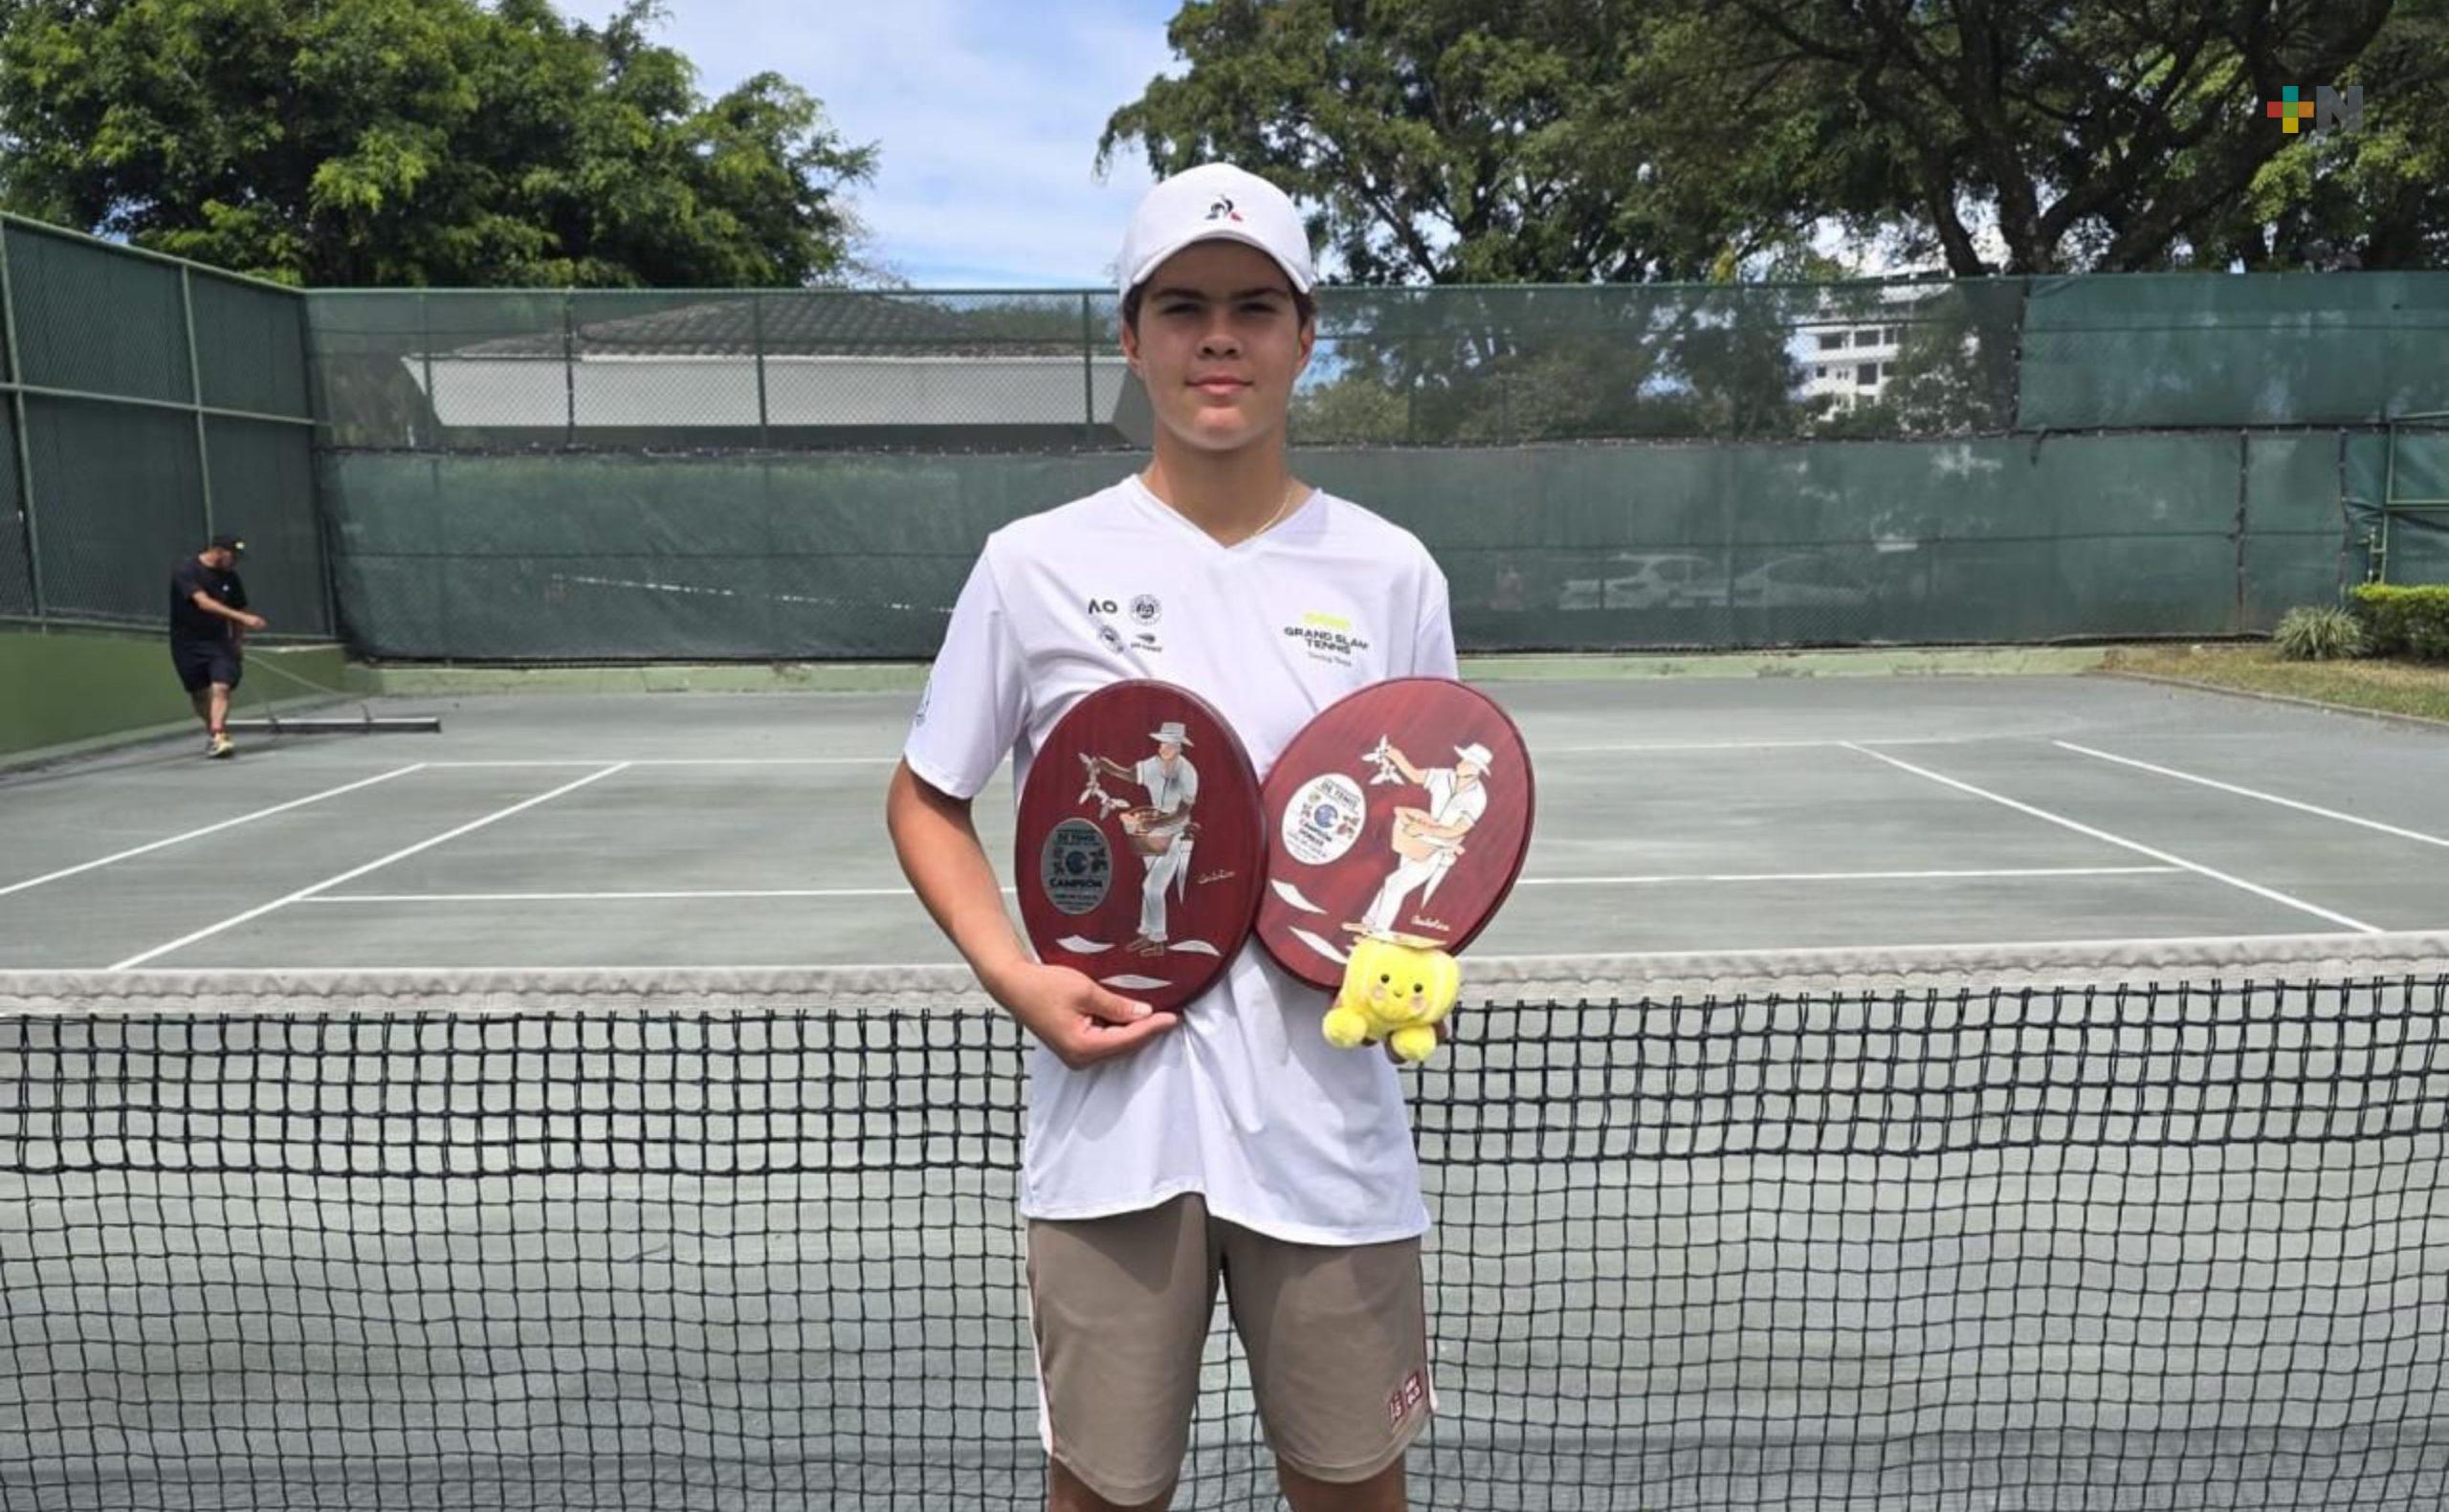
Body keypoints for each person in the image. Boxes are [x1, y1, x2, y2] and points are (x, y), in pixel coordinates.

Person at [885, 163, 1458, 1512]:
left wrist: (1418, 948)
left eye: (1254, 308)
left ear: (1305, 338)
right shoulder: (1034, 563)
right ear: (1131, 339)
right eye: (1183, 307)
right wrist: (1016, 977)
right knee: (1100, 1495)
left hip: (1329, 1142)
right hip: (1112, 1140)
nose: (1219, 339)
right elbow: (926, 796)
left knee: (1354, 1492)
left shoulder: (1392, 573)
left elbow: (1425, 832)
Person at [1357, 743, 1491, 938]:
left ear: (1476, 769)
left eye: (1467, 762)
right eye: (1463, 759)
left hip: (1438, 848)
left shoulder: (1478, 797)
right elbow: (1415, 775)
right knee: (1394, 882)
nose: (1460, 763)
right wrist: (1397, 757)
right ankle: (1369, 923)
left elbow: (1457, 830)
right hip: (1418, 841)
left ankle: (1379, 933)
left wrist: (1423, 828)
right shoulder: (1444, 776)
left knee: (1394, 884)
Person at [168, 533, 266, 758]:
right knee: (199, 693)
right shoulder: (186, 570)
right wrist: (244, 619)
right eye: (233, 556)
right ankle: (214, 732)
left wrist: (237, 642)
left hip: (218, 642)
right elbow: (203, 602)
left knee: (221, 687)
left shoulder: (231, 578)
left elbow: (239, 608)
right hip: (187, 643)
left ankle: (218, 732)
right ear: (219, 552)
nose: (236, 562)